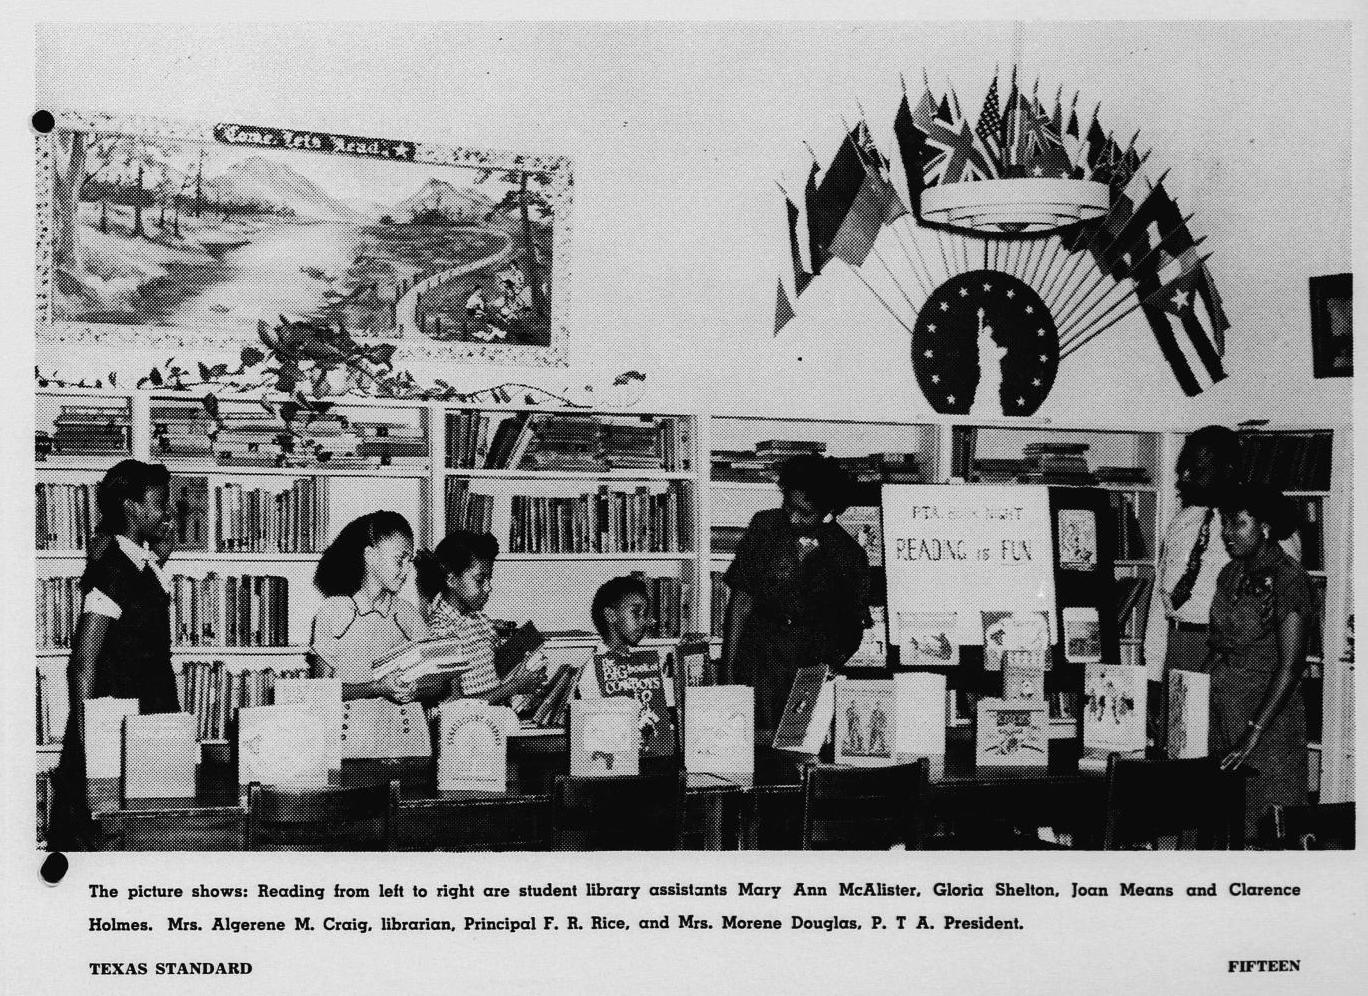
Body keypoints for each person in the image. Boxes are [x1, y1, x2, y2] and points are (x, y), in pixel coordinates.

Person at [49, 460, 178, 850]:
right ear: (131, 507)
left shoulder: (139, 564)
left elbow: (136, 621)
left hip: (146, 715)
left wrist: (160, 558)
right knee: (108, 836)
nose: (167, 512)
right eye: (159, 503)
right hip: (117, 722)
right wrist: (91, 740)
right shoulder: (113, 570)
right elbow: (84, 663)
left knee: (145, 831)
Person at [1143, 427, 1300, 739]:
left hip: (1234, 654)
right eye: (1183, 468)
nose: (1185, 477)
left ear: (1228, 470)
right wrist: (1153, 676)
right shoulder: (1181, 523)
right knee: (1178, 748)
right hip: (1181, 646)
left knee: (1223, 746)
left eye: (1197, 469)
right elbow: (1160, 607)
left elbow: (1284, 595)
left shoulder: (1262, 521)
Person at [720, 454, 871, 760]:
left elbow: (851, 627)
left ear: (829, 512)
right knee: (748, 752)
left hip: (808, 667)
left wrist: (824, 670)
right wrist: (729, 666)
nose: (792, 519)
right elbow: (740, 601)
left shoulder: (848, 555)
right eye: (788, 507)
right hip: (758, 658)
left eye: (805, 514)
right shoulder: (764, 527)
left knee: (797, 758)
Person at [1208, 485, 1313, 842]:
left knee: (1268, 828)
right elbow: (1219, 646)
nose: (1226, 533)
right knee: (1224, 822)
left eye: (1238, 524)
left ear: (1265, 526)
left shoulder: (1290, 580)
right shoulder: (1229, 573)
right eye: (1224, 523)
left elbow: (1292, 665)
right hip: (1224, 708)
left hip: (1269, 719)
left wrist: (1253, 732)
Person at [310, 512, 432, 749]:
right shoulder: (333, 611)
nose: (406, 570)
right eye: (400, 560)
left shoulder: (407, 614)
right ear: (371, 556)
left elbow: (442, 684)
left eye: (410, 561)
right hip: (349, 745)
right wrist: (376, 688)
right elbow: (319, 693)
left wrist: (418, 688)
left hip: (405, 745)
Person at [581, 576, 673, 755]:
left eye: (645, 614)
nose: (645, 621)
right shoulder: (592, 670)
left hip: (653, 760)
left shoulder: (647, 666)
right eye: (636, 612)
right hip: (616, 767)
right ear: (611, 615)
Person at [414, 530, 505, 701]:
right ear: (452, 580)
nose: (488, 588)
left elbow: (496, 672)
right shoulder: (440, 631)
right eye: (480, 580)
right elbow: (454, 702)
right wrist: (514, 686)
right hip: (464, 725)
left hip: (489, 722)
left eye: (489, 580)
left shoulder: (480, 620)